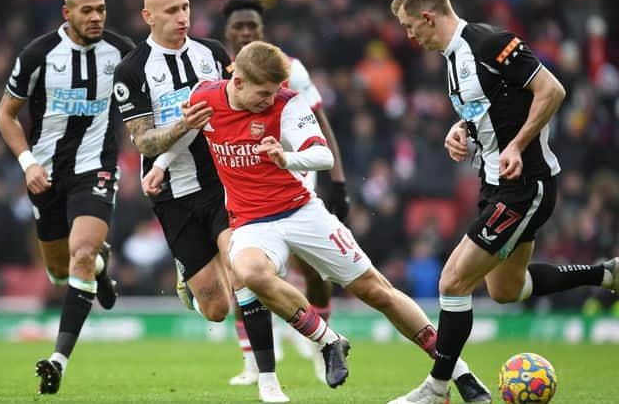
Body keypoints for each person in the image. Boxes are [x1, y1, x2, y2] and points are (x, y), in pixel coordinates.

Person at [149, 40, 491, 403]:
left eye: (274, 92)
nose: (269, 99)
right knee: (248, 272)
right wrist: (159, 165)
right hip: (251, 221)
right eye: (263, 93)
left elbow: (322, 154)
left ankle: (459, 371)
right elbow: (188, 128)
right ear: (238, 82)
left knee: (377, 291)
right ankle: (329, 340)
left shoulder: (287, 102)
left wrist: (287, 159)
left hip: (301, 211)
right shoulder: (206, 95)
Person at [389, 0, 619, 403]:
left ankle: (437, 388)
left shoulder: (490, 42)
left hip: (522, 186)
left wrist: (515, 146)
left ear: (427, 17)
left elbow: (551, 90)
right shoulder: (452, 58)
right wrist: (460, 131)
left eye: (409, 26)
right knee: (506, 291)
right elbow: (491, 110)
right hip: (493, 184)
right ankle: (605, 274)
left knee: (453, 282)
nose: (408, 35)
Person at [0, 0, 134, 395]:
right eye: (87, 11)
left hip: (96, 167)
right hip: (46, 172)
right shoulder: (38, 54)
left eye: (101, 10)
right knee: (59, 269)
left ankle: (57, 360)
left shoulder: (121, 50)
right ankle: (101, 268)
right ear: (66, 13)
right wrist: (27, 162)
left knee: (82, 252)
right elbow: (6, 115)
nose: (96, 18)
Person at [221, 0, 349, 386]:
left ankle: (319, 343)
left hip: (293, 176)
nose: (244, 33)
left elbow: (321, 124)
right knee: (244, 269)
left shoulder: (289, 70)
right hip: (241, 183)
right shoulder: (214, 71)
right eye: (238, 27)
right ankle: (252, 360)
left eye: (252, 27)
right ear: (227, 32)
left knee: (311, 268)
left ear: (263, 31)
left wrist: (339, 182)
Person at [113, 0, 234, 327]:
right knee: (216, 309)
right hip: (172, 193)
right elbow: (143, 142)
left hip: (220, 181)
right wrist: (184, 124)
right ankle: (189, 272)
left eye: (185, 7)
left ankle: (265, 376)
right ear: (148, 16)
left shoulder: (212, 52)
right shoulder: (131, 70)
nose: (182, 17)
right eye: (171, 11)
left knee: (241, 266)